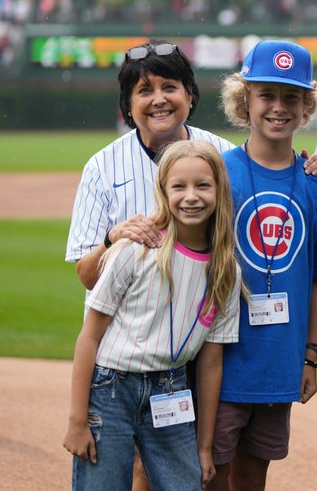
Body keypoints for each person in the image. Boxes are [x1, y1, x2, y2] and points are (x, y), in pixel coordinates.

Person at [208, 40, 317, 490]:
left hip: (279, 359)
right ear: (244, 100)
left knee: (254, 475)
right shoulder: (217, 173)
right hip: (219, 358)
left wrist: (310, 356)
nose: (278, 107)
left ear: (306, 106)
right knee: (210, 474)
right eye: (266, 95)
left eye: (291, 97)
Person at [63, 140, 242, 491]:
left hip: (172, 388)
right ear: (163, 191)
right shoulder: (135, 251)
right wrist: (77, 421)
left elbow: (211, 362)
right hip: (111, 388)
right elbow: (90, 335)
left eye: (203, 185)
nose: (191, 196)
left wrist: (204, 447)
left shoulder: (226, 272)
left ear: (219, 190)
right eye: (179, 186)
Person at [68, 40, 234, 291]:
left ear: (189, 95)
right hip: (127, 316)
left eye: (169, 87)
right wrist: (113, 240)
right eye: (144, 91)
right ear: (129, 104)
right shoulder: (101, 167)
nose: (159, 100)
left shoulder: (225, 155)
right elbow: (87, 277)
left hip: (202, 313)